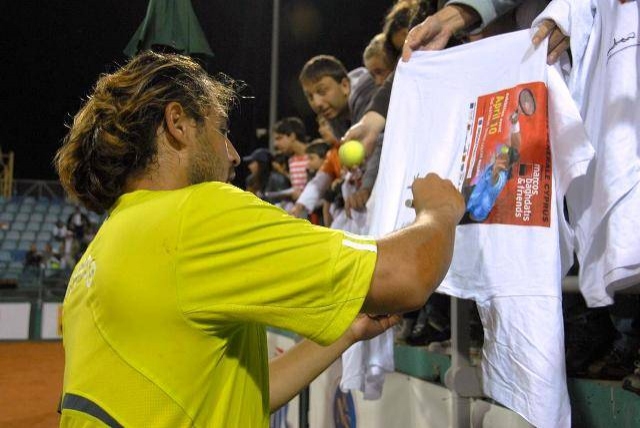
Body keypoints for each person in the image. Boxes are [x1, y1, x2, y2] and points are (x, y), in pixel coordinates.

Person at [54, 51, 465, 427]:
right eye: (221, 130)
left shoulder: (98, 252)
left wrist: (349, 331)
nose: (233, 154)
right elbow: (406, 275)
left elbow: (241, 394)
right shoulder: (196, 214)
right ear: (177, 123)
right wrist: (439, 209)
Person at [272, 117, 309, 201]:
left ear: (292, 136)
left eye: (279, 138)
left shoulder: (314, 156)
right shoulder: (291, 161)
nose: (276, 144)